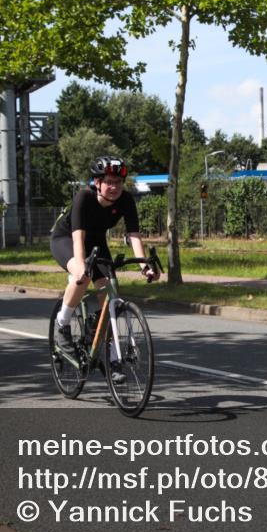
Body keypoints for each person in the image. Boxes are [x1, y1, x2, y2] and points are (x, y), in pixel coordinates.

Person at [50, 156, 159, 383]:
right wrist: (80, 265)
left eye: (118, 183)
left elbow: (134, 236)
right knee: (83, 275)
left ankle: (111, 359)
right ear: (97, 182)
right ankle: (62, 324)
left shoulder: (126, 200)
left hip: (97, 242)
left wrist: (144, 266)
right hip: (67, 238)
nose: (114, 187)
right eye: (109, 182)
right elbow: (78, 236)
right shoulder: (84, 197)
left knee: (109, 295)